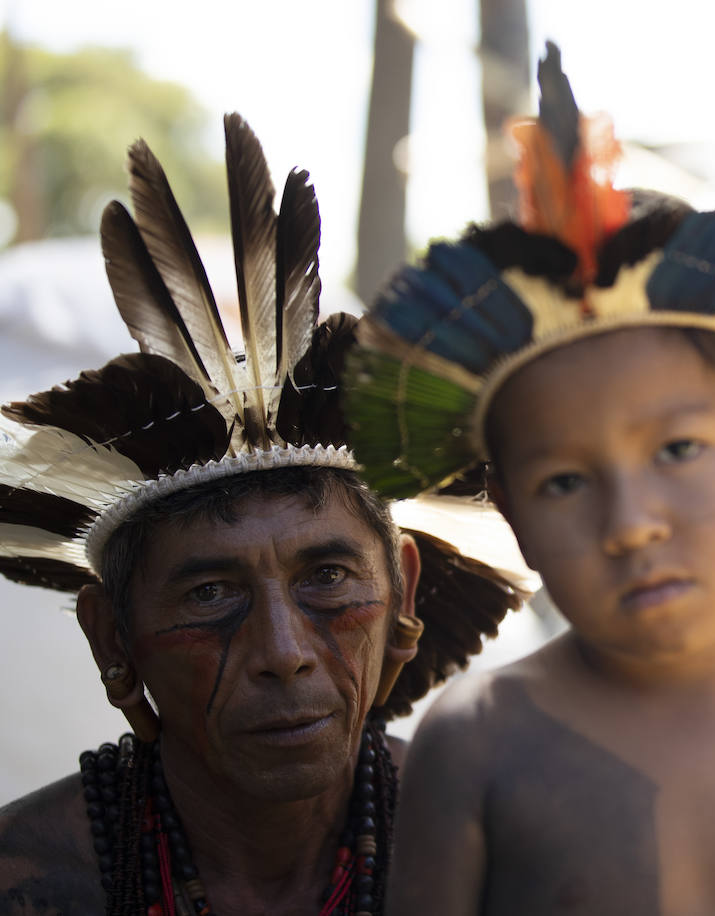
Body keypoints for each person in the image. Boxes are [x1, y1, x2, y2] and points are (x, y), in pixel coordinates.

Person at [346, 44, 715, 916]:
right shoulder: (477, 747)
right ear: (510, 512)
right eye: (563, 482)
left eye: (678, 450)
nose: (630, 523)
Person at [0, 116, 523, 915]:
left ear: (405, 594)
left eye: (329, 577)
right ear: (111, 636)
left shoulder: (514, 866)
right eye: (209, 593)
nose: (283, 653)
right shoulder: (28, 884)